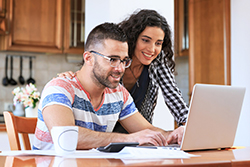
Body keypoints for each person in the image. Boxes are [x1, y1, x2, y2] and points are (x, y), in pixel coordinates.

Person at [33, 22, 184, 150]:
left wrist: (173, 135)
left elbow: (147, 130)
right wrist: (130, 139)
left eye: (124, 60)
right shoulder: (59, 88)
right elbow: (64, 136)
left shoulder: (118, 94)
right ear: (89, 58)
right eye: (112, 59)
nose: (120, 68)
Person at [58, 9, 189, 133]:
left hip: (140, 137)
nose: (152, 49)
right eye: (145, 40)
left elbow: (175, 99)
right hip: (107, 137)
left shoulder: (157, 63)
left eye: (158, 43)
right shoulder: (114, 65)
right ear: (133, 38)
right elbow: (93, 75)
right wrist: (71, 80)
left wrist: (188, 127)